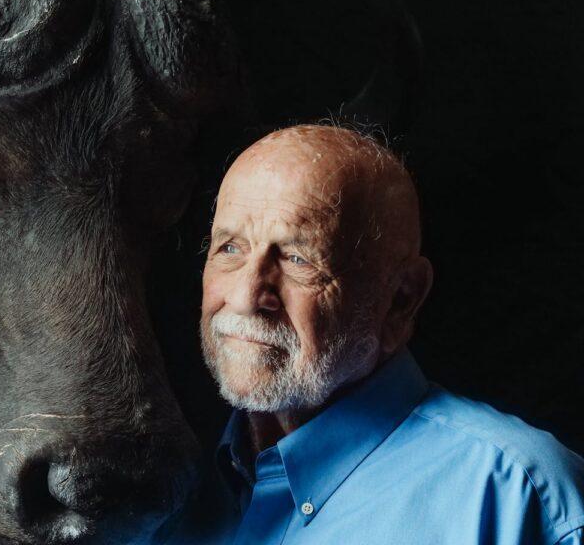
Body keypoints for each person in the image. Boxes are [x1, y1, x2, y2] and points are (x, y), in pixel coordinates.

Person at [167, 124, 584, 545]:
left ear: (402, 299)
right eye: (230, 249)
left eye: (297, 258)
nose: (245, 297)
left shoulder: (520, 497)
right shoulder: (161, 488)